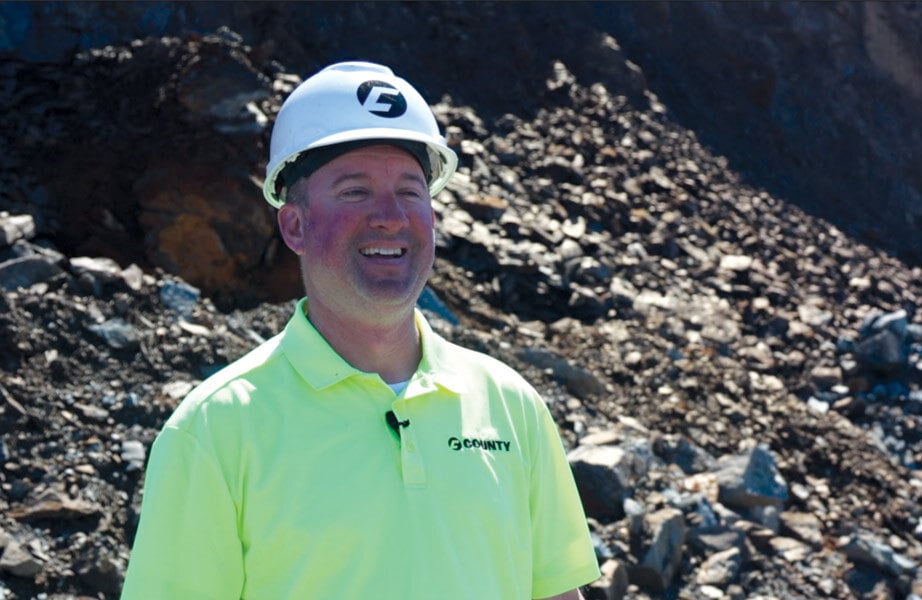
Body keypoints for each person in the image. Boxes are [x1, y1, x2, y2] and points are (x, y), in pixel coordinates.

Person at [121, 61, 600, 599]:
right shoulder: (215, 430)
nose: (391, 217)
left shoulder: (510, 406)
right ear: (295, 225)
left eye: (410, 192)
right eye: (355, 192)